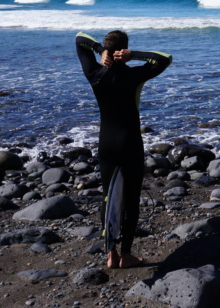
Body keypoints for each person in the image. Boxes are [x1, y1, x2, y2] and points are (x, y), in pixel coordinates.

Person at [75, 30, 172, 269]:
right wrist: (133, 56)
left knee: (108, 197)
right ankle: (126, 254)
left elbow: (79, 39)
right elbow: (165, 58)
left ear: (107, 50)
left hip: (106, 144)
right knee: (131, 199)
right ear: (125, 49)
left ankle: (111, 254)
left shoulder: (94, 74)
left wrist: (99, 51)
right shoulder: (134, 75)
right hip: (130, 143)